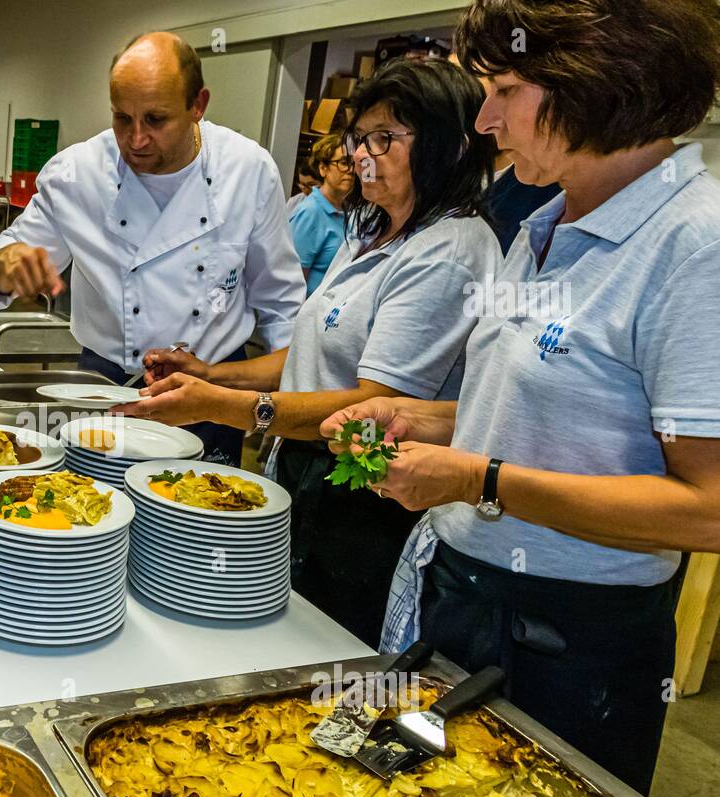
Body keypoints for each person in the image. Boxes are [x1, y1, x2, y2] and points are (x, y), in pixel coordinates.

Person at [322, 0, 720, 795]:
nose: (486, 119)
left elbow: (707, 507)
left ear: (597, 84)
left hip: (572, 642)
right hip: (466, 596)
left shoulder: (693, 244)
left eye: (505, 90)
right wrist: (417, 420)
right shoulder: (544, 222)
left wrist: (480, 480)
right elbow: (537, 414)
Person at [115, 57, 502, 646]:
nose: (362, 155)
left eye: (385, 139)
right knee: (280, 631)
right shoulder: (372, 228)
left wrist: (223, 406)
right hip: (309, 470)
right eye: (358, 139)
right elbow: (310, 353)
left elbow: (377, 404)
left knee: (330, 651)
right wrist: (214, 372)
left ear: (447, 145)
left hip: (369, 499)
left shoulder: (448, 251)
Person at [0, 31, 306, 465]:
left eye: (156, 120)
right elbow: (9, 252)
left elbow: (281, 305)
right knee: (88, 511)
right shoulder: (78, 173)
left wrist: (288, 412)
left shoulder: (247, 171)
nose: (136, 139)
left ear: (198, 105)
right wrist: (9, 263)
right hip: (102, 385)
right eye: (122, 118)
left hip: (210, 394)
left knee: (198, 519)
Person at [289, 132, 353, 294]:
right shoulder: (310, 212)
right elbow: (293, 280)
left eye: (354, 163)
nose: (351, 170)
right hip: (309, 312)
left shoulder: (347, 210)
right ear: (323, 169)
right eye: (343, 163)